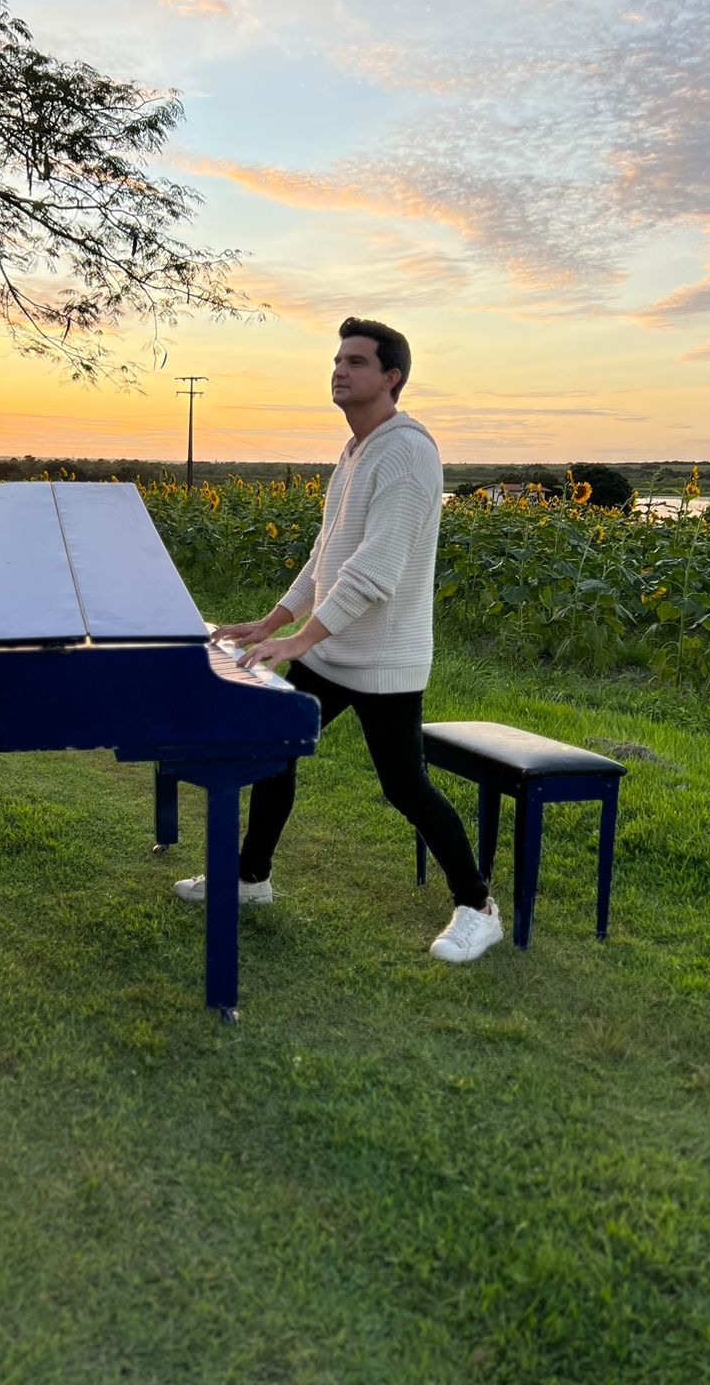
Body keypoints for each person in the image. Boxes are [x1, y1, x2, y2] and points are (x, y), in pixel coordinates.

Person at [172, 317, 503, 963]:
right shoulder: (354, 451)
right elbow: (328, 557)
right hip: (331, 650)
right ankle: (250, 878)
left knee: (405, 786)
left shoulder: (409, 454)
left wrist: (299, 641)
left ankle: (477, 906)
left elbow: (374, 572)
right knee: (278, 745)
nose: (339, 370)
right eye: (337, 359)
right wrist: (273, 623)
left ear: (392, 377)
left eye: (356, 361)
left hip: (383, 660)